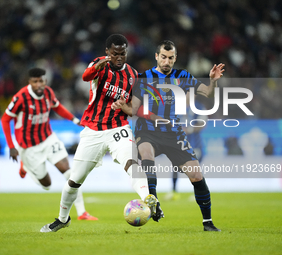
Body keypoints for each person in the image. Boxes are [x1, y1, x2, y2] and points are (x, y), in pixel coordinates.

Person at [40, 34, 159, 233]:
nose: (119, 57)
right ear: (107, 52)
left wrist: (127, 106)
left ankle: (148, 198)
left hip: (118, 128)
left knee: (132, 163)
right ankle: (62, 219)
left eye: (122, 54)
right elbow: (86, 76)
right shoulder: (99, 64)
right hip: (93, 130)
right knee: (73, 182)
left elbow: (135, 106)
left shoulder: (133, 75)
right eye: (115, 54)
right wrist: (98, 66)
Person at [112, 40, 224, 231]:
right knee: (146, 154)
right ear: (156, 56)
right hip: (147, 130)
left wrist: (212, 80)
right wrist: (122, 106)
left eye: (171, 58)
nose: (167, 61)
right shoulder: (143, 78)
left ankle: (208, 222)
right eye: (163, 57)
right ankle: (153, 203)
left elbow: (206, 92)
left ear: (175, 58)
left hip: (174, 132)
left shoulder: (183, 76)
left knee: (196, 175)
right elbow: (134, 109)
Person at [1, 67, 98, 221]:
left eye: (41, 81)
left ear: (45, 81)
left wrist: (75, 120)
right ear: (29, 82)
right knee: (47, 184)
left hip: (48, 139)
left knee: (69, 172)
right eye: (35, 82)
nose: (39, 84)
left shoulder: (48, 93)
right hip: (28, 147)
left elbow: (57, 107)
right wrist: (12, 147)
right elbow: (5, 119)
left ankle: (82, 213)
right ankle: (26, 165)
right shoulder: (20, 98)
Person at [165, 93, 207, 201]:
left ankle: (199, 193)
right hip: (179, 145)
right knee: (175, 167)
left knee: (195, 170)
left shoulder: (199, 107)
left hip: (194, 144)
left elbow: (203, 123)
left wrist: (189, 130)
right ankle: (174, 191)